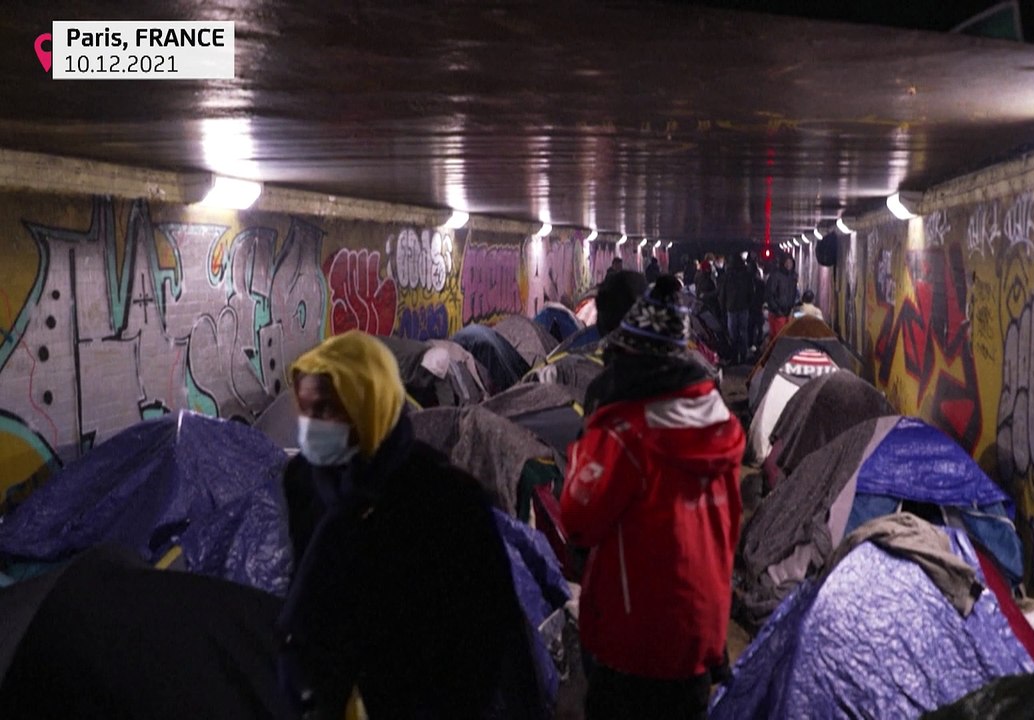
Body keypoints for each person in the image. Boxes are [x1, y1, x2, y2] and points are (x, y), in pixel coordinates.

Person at [279, 331, 547, 720]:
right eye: (306, 411)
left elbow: (495, 624)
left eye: (327, 410)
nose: (312, 426)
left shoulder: (445, 493)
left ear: (367, 402)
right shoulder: (303, 484)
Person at [562, 275, 745, 720]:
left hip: (635, 642)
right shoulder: (719, 425)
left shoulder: (625, 435)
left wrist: (585, 448)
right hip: (700, 635)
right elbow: (728, 533)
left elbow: (577, 518)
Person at [718, 254, 754, 364]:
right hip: (743, 307)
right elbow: (751, 292)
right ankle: (743, 357)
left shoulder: (727, 276)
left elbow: (722, 294)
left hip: (731, 308)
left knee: (733, 334)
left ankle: (734, 357)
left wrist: (722, 308)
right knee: (743, 333)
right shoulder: (747, 276)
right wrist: (749, 305)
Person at [765, 254, 799, 338]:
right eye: (787, 262)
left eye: (790, 262)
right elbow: (769, 294)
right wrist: (777, 310)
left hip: (788, 312)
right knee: (778, 338)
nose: (789, 265)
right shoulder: (775, 276)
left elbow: (794, 293)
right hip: (777, 313)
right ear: (782, 263)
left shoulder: (793, 277)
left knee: (786, 337)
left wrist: (792, 307)